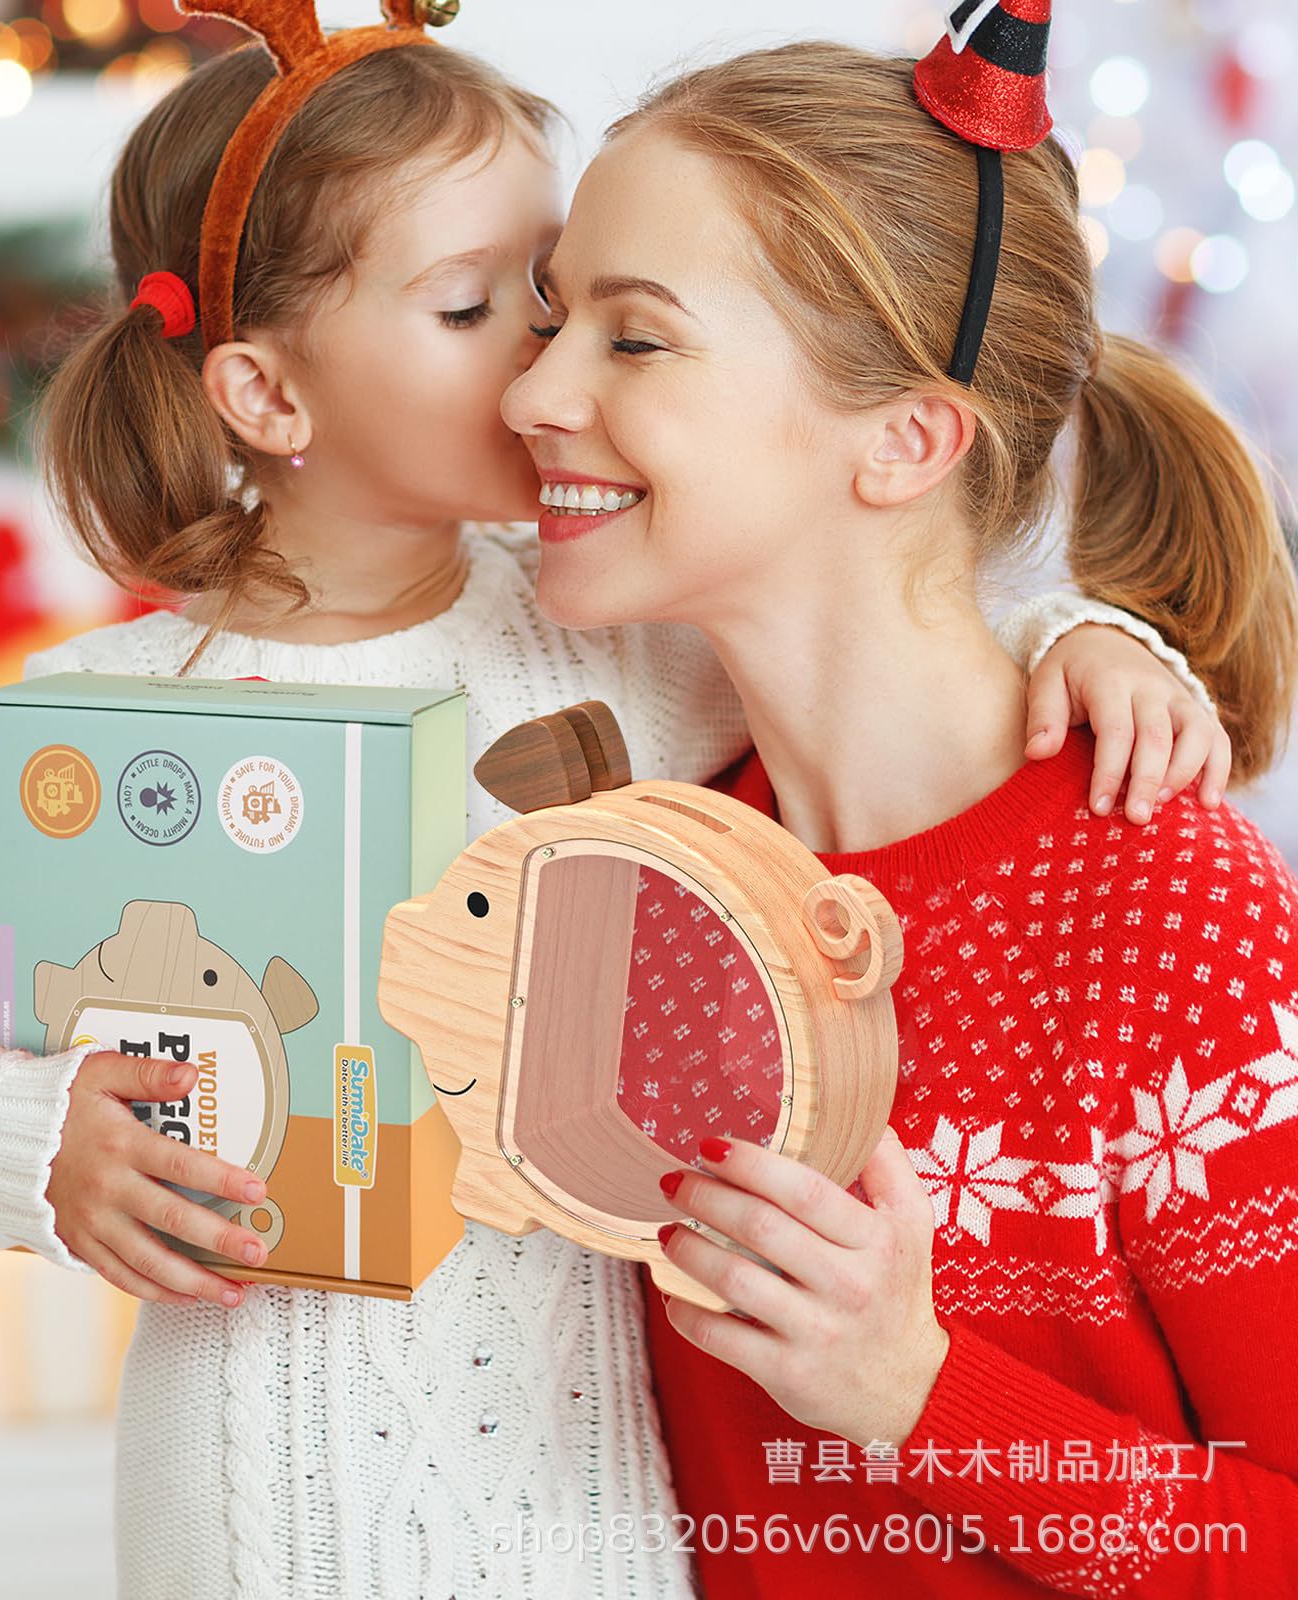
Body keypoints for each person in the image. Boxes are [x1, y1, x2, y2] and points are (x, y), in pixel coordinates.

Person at [0, 7, 1230, 1595]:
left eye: (555, 302)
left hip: (589, 1525)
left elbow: (865, 608)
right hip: (249, 1525)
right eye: (473, 308)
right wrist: (38, 1144)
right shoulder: (112, 714)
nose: (536, 368)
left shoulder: (614, 649)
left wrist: (1081, 637)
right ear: (267, 396)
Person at [498, 24, 1298, 1598]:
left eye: (634, 339)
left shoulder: (1167, 904)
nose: (531, 390)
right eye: (547, 315)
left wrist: (916, 1395)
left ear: (908, 440)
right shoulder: (641, 855)